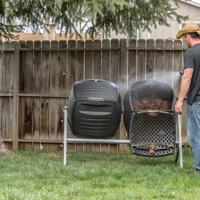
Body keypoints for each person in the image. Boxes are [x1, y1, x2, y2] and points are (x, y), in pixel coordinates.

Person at [175, 21, 200, 172]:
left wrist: (179, 100)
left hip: (197, 102)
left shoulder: (191, 53)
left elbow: (187, 77)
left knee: (196, 136)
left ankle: (199, 169)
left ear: (189, 36)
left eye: (185, 37)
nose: (185, 40)